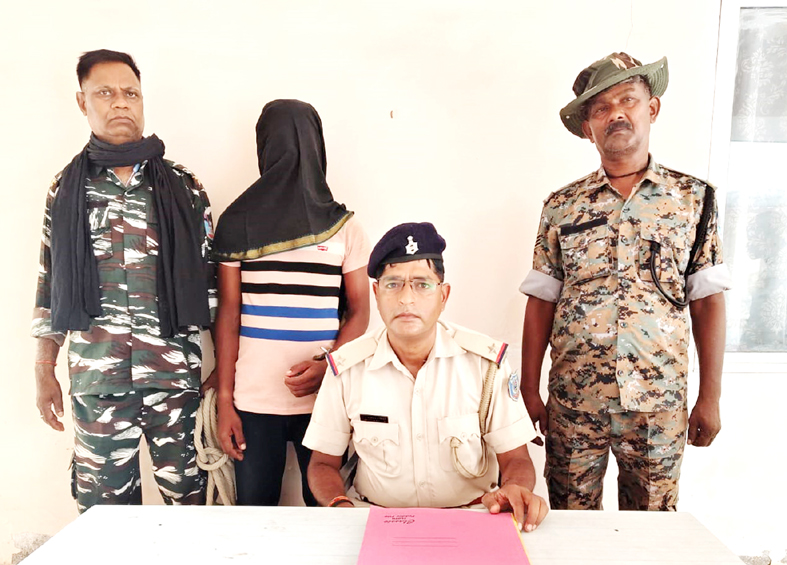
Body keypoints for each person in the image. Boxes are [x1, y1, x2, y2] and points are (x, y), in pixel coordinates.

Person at [520, 53, 732, 511]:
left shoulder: (693, 199)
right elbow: (541, 300)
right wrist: (529, 389)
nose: (616, 113)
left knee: (651, 531)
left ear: (651, 109)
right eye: (601, 108)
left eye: (628, 100)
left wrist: (710, 397)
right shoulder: (561, 206)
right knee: (571, 524)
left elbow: (708, 300)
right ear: (587, 128)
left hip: (659, 405)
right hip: (575, 403)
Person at [32, 49, 216, 511]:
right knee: (104, 517)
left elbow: (212, 285)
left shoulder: (184, 187)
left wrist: (225, 376)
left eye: (130, 93)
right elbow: (50, 283)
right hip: (98, 380)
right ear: (82, 102)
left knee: (193, 508)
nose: (120, 103)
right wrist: (43, 367)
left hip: (175, 379)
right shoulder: (66, 189)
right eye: (105, 93)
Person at [304, 222, 548, 532]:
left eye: (422, 284)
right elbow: (323, 463)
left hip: (471, 520)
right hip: (377, 521)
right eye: (393, 284)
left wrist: (514, 489)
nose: (406, 299)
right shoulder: (347, 369)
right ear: (376, 293)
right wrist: (340, 506)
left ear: (443, 295)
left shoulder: (485, 365)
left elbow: (516, 459)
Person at [213, 99, 371, 506]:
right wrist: (225, 402)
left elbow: (360, 312)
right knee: (255, 516)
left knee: (326, 512)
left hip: (325, 399)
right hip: (252, 401)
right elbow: (228, 314)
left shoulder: (344, 227)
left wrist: (329, 367)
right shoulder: (236, 223)